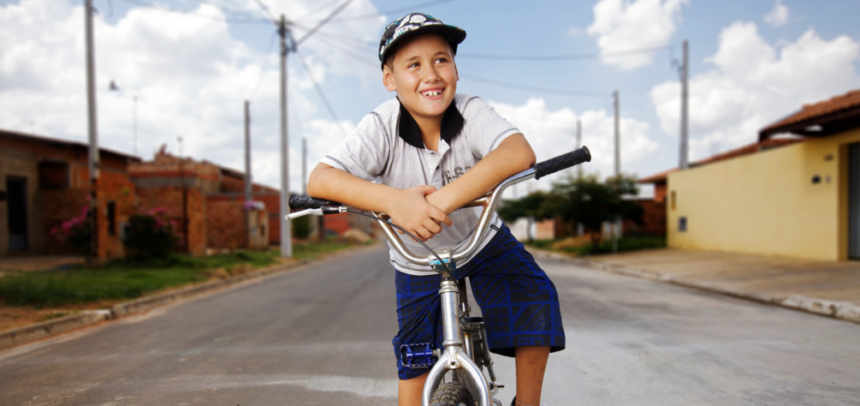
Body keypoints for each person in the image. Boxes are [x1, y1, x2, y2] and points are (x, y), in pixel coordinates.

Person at [307, 12, 565, 406]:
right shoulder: (381, 126)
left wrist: (441, 200)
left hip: (480, 240)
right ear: (389, 79)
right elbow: (321, 179)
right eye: (413, 65)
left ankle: (528, 402)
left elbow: (518, 152)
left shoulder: (470, 111)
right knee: (415, 358)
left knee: (534, 297)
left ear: (456, 70)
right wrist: (395, 202)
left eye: (441, 59)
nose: (431, 74)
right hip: (418, 258)